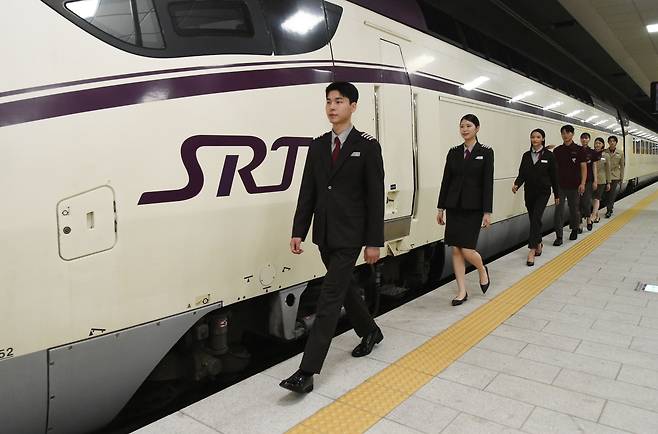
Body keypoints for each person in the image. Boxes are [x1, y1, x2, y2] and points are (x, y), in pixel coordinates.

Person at [280, 82, 385, 394]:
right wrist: (299, 230)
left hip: (352, 234)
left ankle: (307, 371)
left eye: (339, 101)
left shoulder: (367, 146)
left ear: (353, 106)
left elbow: (375, 196)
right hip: (324, 233)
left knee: (328, 298)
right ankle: (371, 332)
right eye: (328, 101)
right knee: (344, 290)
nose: (332, 107)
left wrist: (374, 240)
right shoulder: (317, 146)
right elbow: (308, 192)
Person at [437, 114, 493, 306]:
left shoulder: (486, 152)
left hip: (473, 208)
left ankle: (481, 268)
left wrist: (487, 212)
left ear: (477, 128)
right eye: (461, 126)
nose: (464, 129)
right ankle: (462, 291)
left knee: (467, 249)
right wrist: (440, 207)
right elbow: (446, 181)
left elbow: (487, 183)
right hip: (454, 206)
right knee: (456, 250)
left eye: (468, 126)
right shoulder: (453, 152)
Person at [512, 129, 560, 266]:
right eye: (533, 137)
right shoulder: (526, 155)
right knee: (534, 219)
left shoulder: (549, 156)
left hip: (543, 193)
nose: (535, 139)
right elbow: (522, 173)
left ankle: (532, 250)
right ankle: (538, 243)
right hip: (529, 192)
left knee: (536, 218)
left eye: (538, 137)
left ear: (543, 139)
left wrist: (556, 194)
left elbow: (554, 176)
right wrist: (517, 184)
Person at [552, 125, 587, 245]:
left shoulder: (579, 150)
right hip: (560, 186)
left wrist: (582, 183)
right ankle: (559, 236)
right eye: (563, 133)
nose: (565, 135)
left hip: (574, 185)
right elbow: (554, 168)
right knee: (558, 211)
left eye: (567, 133)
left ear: (572, 134)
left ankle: (574, 229)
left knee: (574, 209)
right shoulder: (557, 151)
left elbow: (583, 167)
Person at [578, 132, 599, 232]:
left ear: (589, 139)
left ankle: (588, 219)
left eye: (586, 138)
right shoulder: (577, 150)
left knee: (586, 201)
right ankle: (579, 222)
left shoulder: (592, 152)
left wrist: (595, 180)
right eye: (582, 138)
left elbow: (594, 166)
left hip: (589, 180)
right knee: (578, 203)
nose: (584, 140)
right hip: (577, 180)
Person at [591, 137, 611, 223]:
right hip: (591, 180)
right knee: (592, 199)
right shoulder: (591, 154)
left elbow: (608, 169)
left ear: (603, 144)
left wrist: (608, 182)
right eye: (596, 143)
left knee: (597, 198)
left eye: (599, 143)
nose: (597, 145)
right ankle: (597, 216)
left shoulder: (606, 155)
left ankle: (593, 215)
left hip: (602, 180)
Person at [605, 135, 625, 218]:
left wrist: (621, 178)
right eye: (610, 141)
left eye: (613, 141)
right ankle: (609, 207)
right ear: (608, 142)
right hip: (605, 176)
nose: (612, 142)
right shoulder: (605, 152)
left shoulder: (620, 153)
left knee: (612, 194)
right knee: (605, 194)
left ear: (616, 143)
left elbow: (622, 166)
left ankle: (609, 210)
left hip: (615, 176)